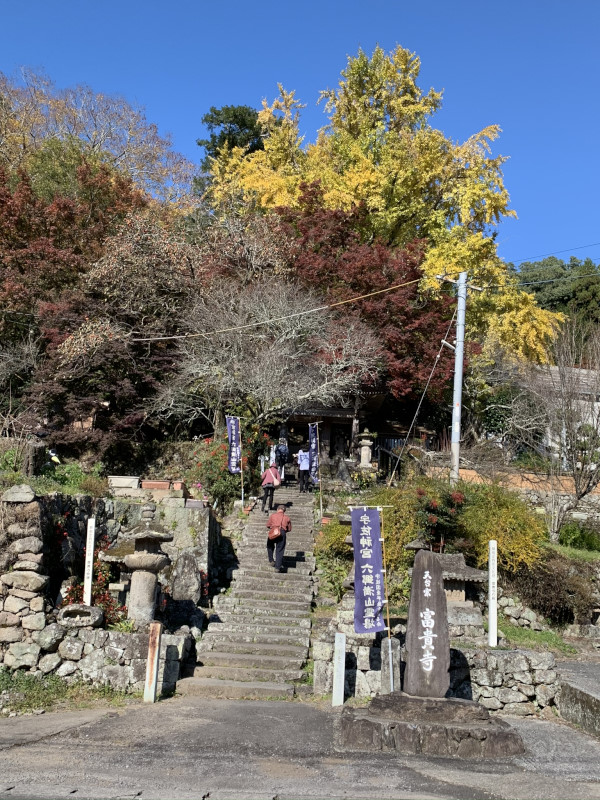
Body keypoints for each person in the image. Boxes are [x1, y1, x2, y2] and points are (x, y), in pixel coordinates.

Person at [267, 503, 292, 572]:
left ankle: (271, 560)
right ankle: (277, 567)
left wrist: (273, 526)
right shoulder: (287, 518)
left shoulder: (273, 516)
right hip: (282, 533)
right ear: (284, 511)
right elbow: (289, 529)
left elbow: (268, 525)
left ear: (277, 509)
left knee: (269, 546)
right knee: (280, 549)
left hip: (273, 531)